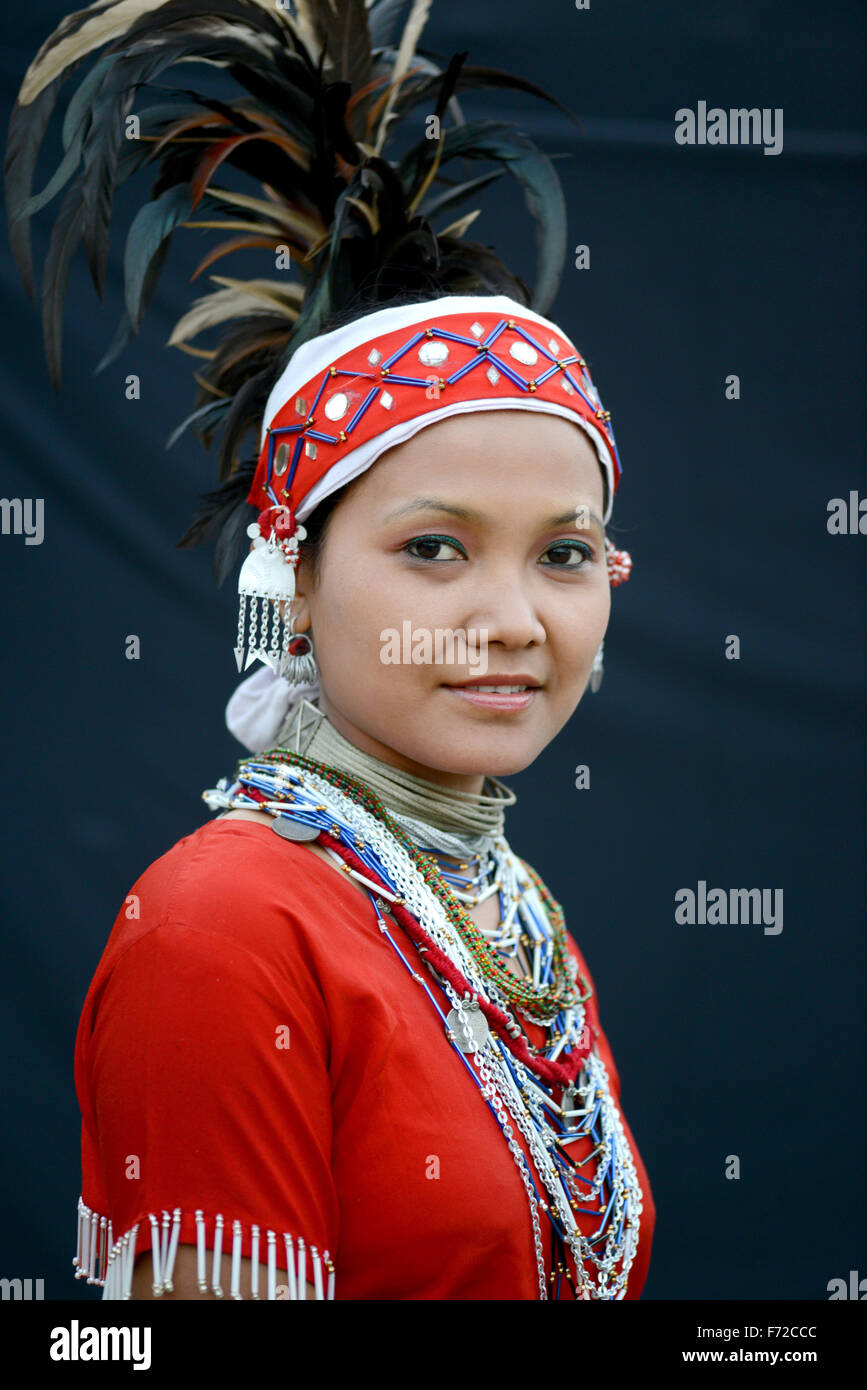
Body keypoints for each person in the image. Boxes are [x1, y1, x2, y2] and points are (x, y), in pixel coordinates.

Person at [8, 1, 653, 1300]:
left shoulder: (513, 926)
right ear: (292, 579)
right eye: (433, 546)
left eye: (564, 552)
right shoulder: (224, 927)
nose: (514, 618)